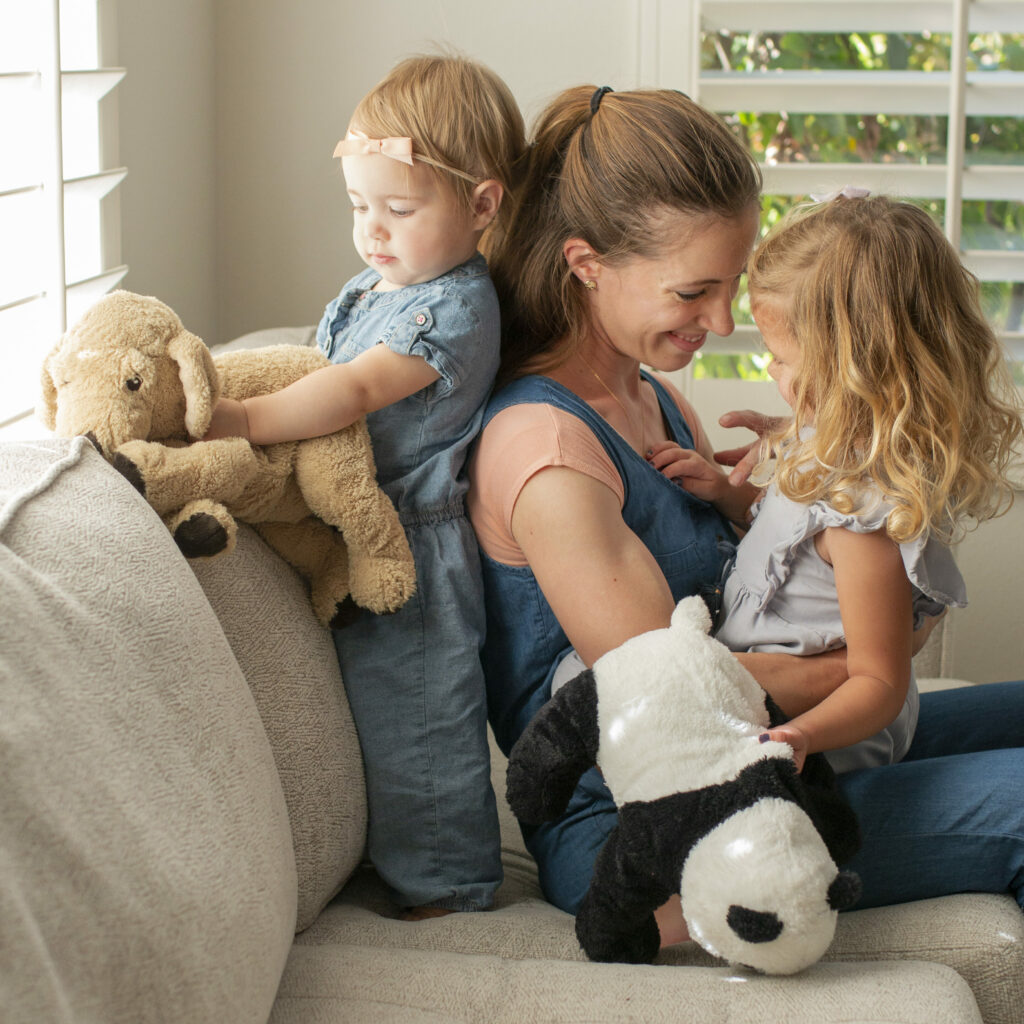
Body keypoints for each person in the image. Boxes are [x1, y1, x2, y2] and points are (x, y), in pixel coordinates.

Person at [467, 84, 1024, 947]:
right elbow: (677, 712)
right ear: (586, 264)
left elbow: (781, 589)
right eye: (694, 291)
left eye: (730, 285)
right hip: (657, 830)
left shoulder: (653, 400)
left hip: (770, 758)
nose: (721, 322)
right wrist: (874, 656)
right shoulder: (545, 448)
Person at [205, 54, 527, 918]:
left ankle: (448, 878)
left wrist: (239, 418)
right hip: (351, 529)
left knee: (418, 715)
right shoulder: (378, 283)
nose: (372, 231)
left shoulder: (456, 310)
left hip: (414, 549)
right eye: (358, 206)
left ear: (482, 206)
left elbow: (345, 391)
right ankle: (387, 853)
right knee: (366, 717)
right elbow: (316, 358)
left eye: (399, 208)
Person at [650, 191, 1023, 779]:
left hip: (834, 742)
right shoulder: (834, 449)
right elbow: (800, 555)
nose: (771, 371)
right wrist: (731, 496)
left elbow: (877, 679)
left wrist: (801, 736)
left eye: (780, 358)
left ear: (849, 366)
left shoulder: (862, 514)